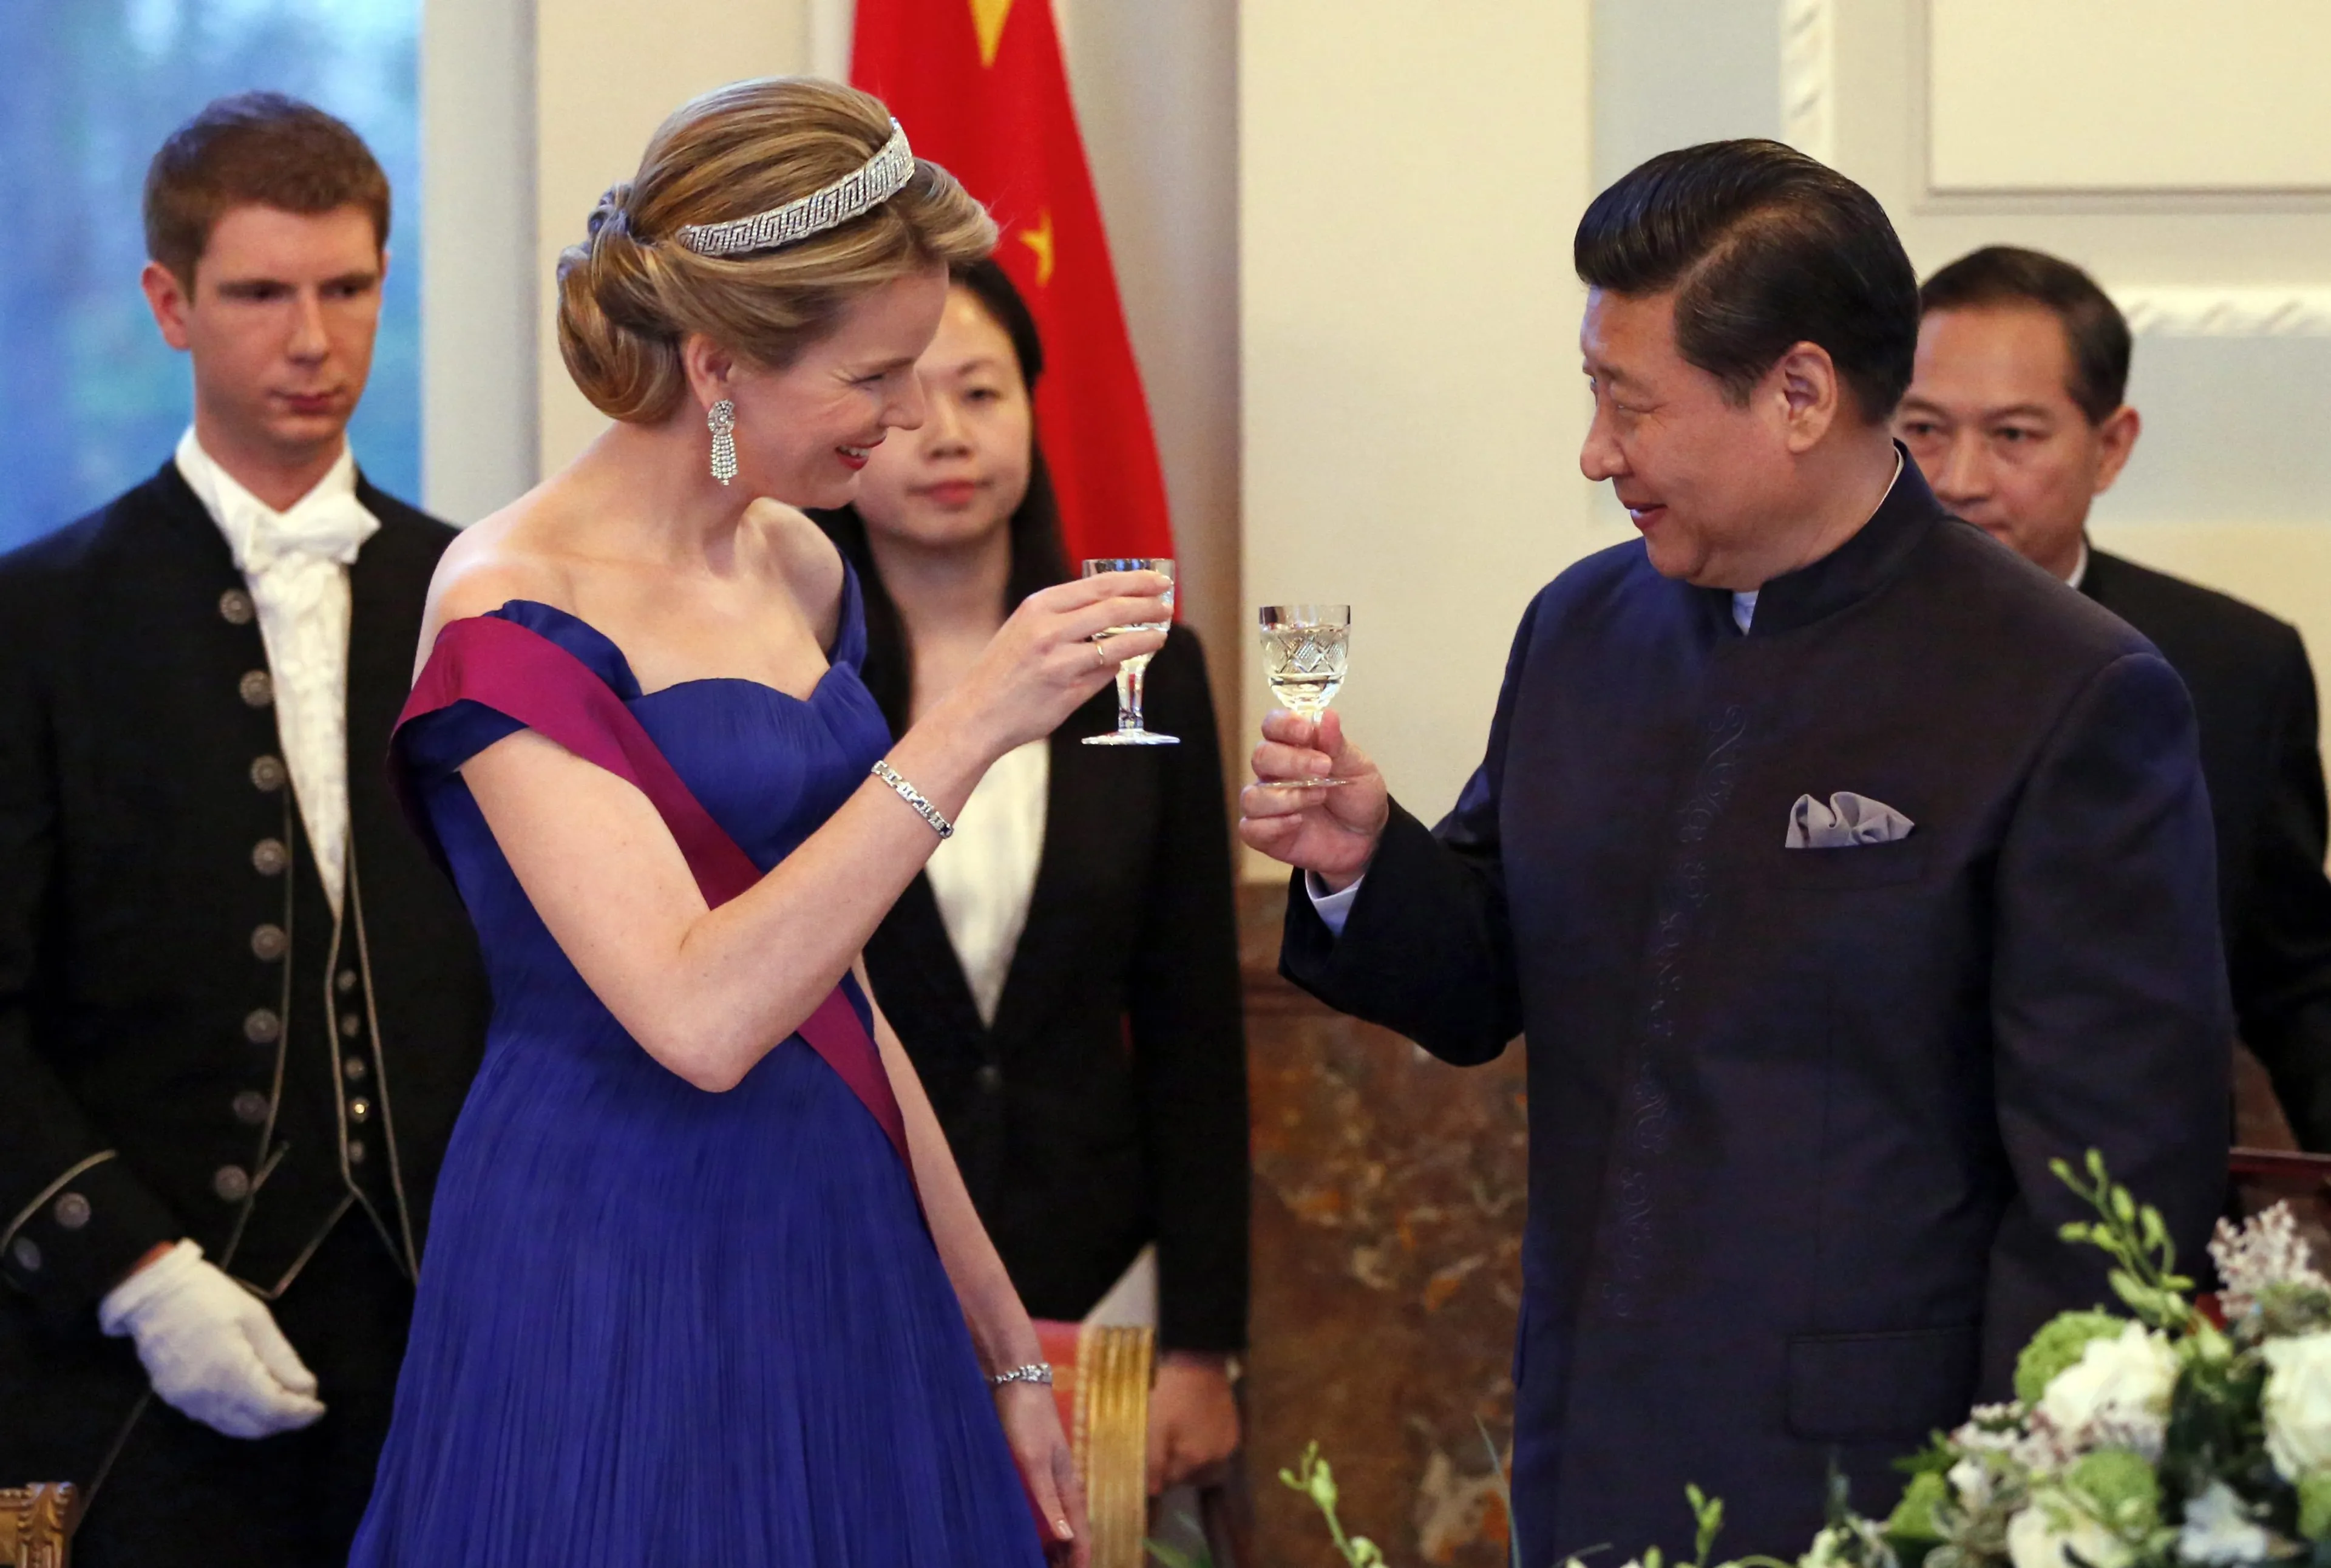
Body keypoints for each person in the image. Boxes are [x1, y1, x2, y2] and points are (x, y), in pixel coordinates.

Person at [1240, 140, 2230, 1561]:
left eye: (1628, 403)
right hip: (1588, 1444)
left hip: (1889, 1484)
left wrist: (2023, 1508)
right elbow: (1480, 980)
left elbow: (2108, 1191)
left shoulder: (2066, 689)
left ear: (1802, 395)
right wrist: (1356, 861)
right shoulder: (1583, 629)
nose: (1595, 452)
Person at [349, 79, 1170, 1566]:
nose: (912, 415)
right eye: (875, 377)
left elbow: (837, 995)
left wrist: (1001, 1338)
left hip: (843, 1226)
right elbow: (703, 1012)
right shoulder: (507, 605)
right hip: (615, 1243)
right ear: (720, 362)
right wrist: (971, 722)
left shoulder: (798, 567)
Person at [0, 93, 489, 1566]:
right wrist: (136, 1271)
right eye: (261, 293)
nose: (313, 339)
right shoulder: (39, 621)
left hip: (443, 1337)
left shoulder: (471, 591)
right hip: (131, 1356)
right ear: (170, 304)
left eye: (347, 288)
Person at [815, 258, 1249, 1498]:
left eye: (984, 393)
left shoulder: (1145, 669)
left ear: (1033, 411)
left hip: (1101, 1270)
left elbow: (1190, 1023)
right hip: (861, 1266)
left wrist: (1207, 1344)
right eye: (905, 396)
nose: (946, 436)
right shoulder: (798, 680)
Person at [1898, 243, 2331, 1152]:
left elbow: (2293, 978)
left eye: (2013, 435)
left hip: (2137, 1207)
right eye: (1925, 429)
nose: (1959, 478)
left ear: (2111, 446)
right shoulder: (1794, 652)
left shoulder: (2235, 668)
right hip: (1874, 1223)